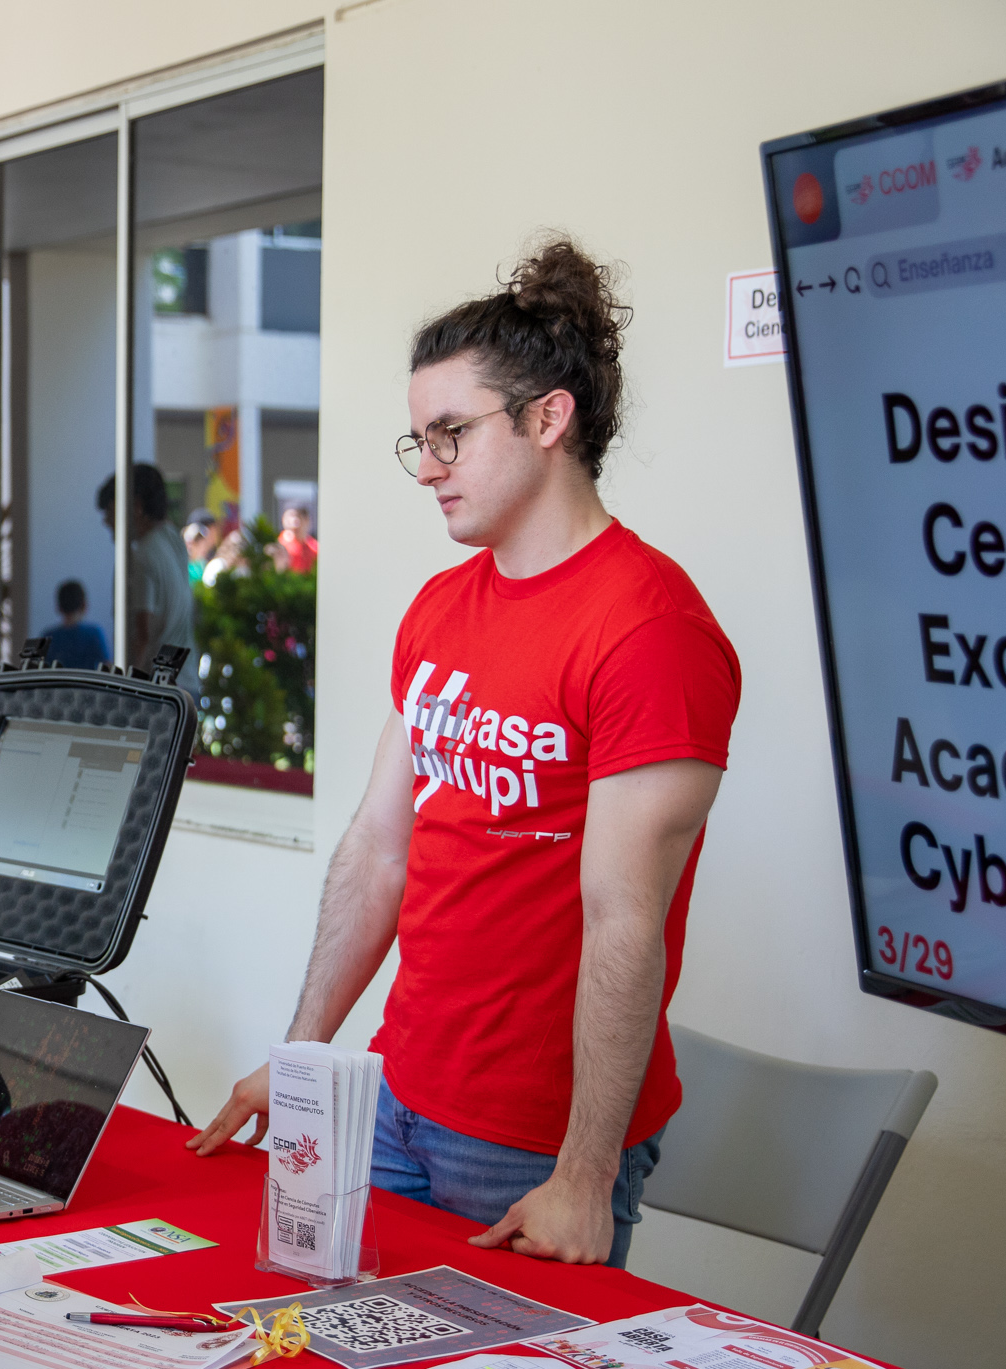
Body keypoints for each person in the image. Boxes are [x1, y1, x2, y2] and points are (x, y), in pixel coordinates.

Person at [189, 239, 740, 1270]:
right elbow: (376, 851)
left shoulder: (648, 629)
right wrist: (301, 1058)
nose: (428, 466)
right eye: (418, 441)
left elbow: (627, 915)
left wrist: (583, 1174)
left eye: (451, 433)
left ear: (547, 419)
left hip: (531, 1146)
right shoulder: (442, 608)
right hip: (396, 1098)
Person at [99, 462, 196, 686]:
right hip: (186, 682)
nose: (106, 520)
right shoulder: (173, 540)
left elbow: (141, 634)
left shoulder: (138, 558)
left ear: (136, 506)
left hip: (155, 692)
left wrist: (125, 685)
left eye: (110, 509)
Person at [41, 576, 108, 669]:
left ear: (59, 607)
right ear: (84, 605)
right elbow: (107, 666)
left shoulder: (48, 637)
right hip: (86, 683)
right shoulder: (94, 634)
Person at [278, 499, 320, 576]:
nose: (294, 525)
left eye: (298, 519)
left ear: (307, 521)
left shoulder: (315, 548)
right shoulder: (280, 545)